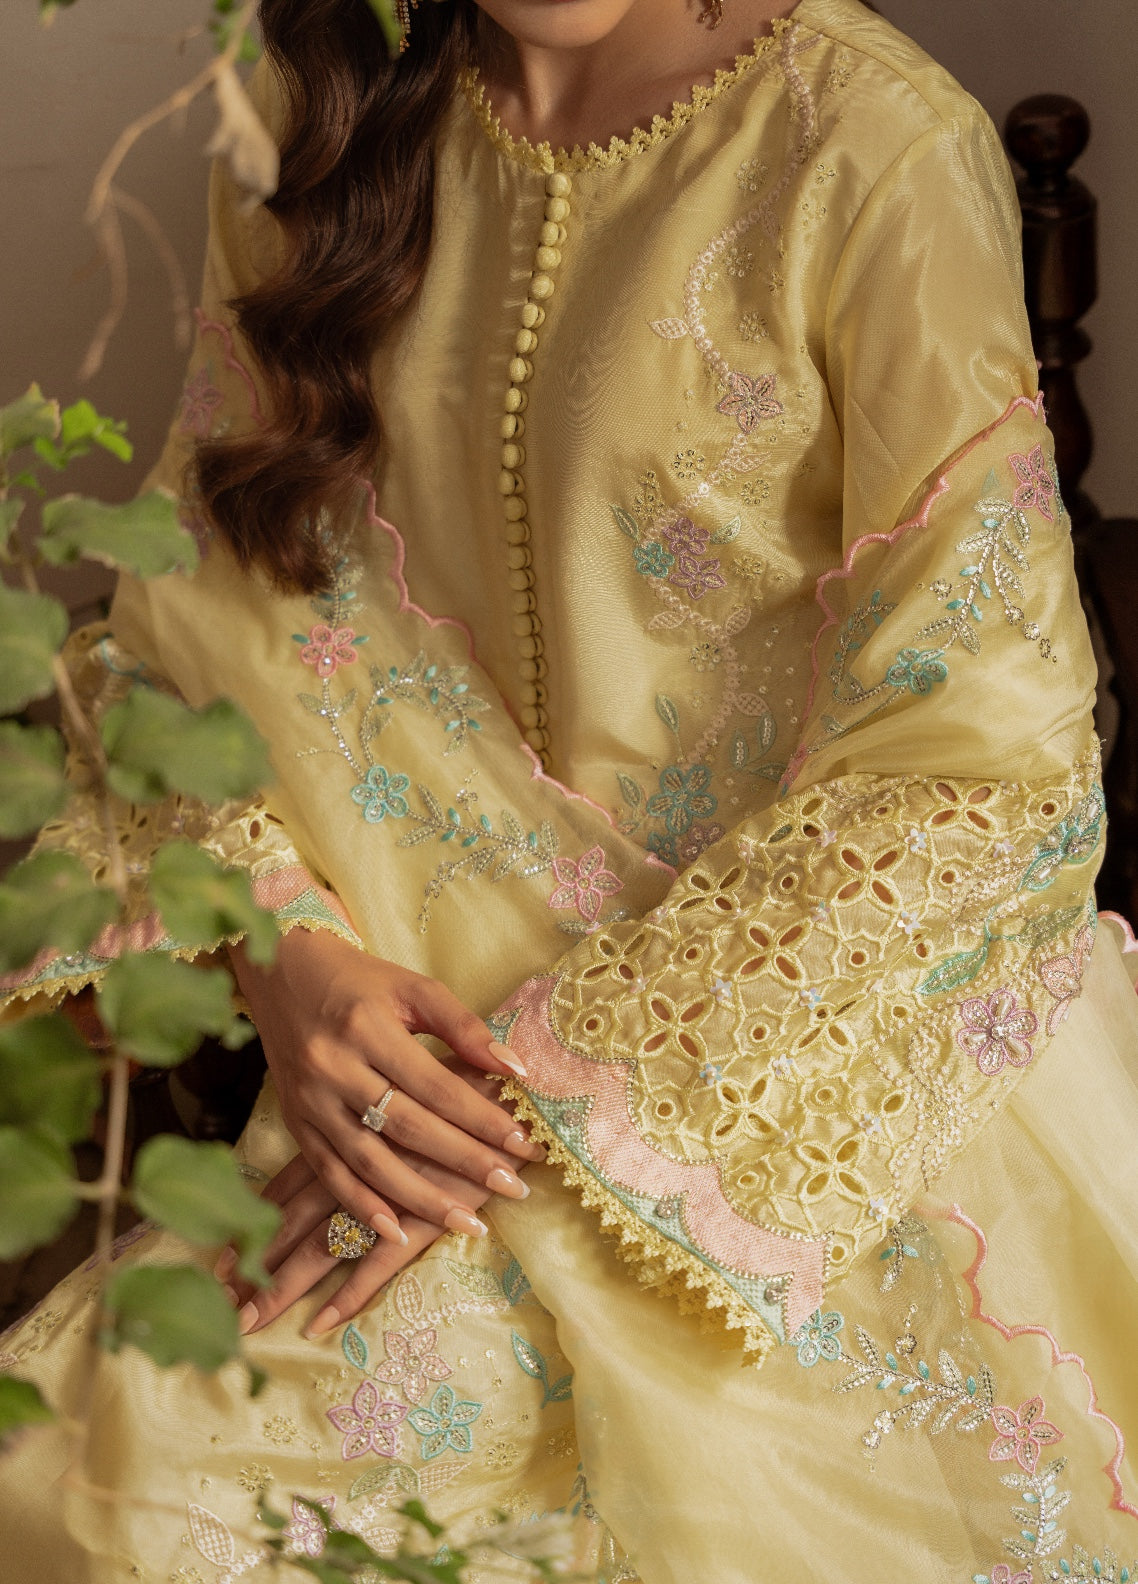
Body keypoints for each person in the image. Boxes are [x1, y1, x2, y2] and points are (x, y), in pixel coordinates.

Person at [2, 0, 1137, 1578]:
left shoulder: (868, 142)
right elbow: (210, 621)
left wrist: (541, 1092)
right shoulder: (316, 95)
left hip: (793, 1076)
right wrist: (281, 953)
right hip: (389, 1084)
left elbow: (979, 767)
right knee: (80, 1490)